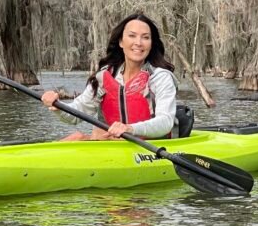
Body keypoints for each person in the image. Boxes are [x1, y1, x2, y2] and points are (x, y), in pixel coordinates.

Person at [41, 14, 177, 141]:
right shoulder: (104, 77)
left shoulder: (160, 77)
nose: (139, 42)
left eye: (145, 37)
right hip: (113, 146)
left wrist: (130, 129)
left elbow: (165, 122)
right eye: (132, 36)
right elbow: (75, 114)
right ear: (121, 42)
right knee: (77, 137)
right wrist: (58, 106)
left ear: (151, 44)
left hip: (151, 150)